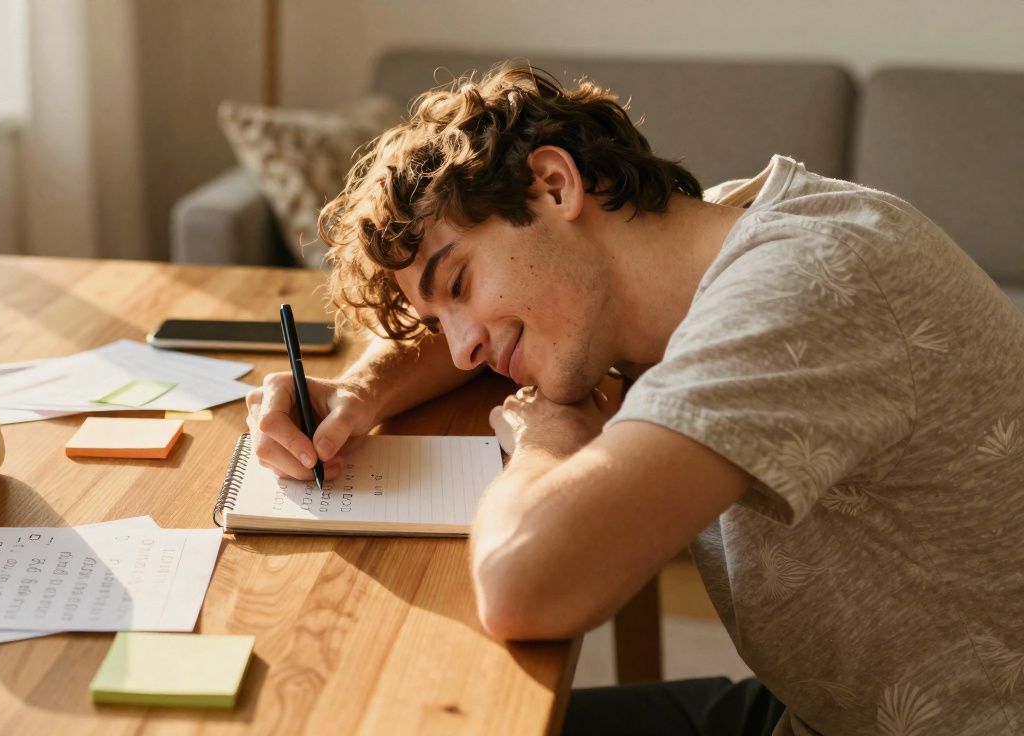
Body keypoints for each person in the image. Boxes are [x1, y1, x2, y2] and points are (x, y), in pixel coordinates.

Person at [243, 61, 1024, 735]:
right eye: (438, 317)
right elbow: (468, 341)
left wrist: (548, 439)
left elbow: (524, 585)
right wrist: (355, 389)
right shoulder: (710, 239)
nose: (462, 347)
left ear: (554, 186)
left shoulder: (801, 290)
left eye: (458, 285)